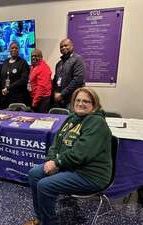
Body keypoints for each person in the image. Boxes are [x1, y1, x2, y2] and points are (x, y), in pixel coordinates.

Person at [23, 87, 112, 225]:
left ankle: (49, 222)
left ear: (94, 105)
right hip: (70, 166)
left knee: (45, 185)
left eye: (86, 101)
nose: (80, 104)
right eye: (78, 100)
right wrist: (51, 160)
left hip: (90, 175)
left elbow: (80, 153)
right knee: (34, 174)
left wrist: (57, 163)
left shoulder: (97, 123)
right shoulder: (71, 118)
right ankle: (41, 218)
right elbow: (56, 142)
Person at [52, 38, 85, 108]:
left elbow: (77, 80)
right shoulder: (59, 63)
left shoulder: (78, 59)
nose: (63, 48)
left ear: (72, 46)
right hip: (60, 100)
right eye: (61, 47)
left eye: (66, 45)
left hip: (72, 100)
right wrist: (55, 93)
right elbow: (55, 80)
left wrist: (62, 94)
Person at [1, 42, 29, 108]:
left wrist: (8, 87)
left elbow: (23, 80)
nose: (14, 49)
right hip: (6, 96)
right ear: (9, 50)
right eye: (12, 48)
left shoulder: (23, 63)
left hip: (18, 97)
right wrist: (3, 88)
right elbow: (2, 77)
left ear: (19, 50)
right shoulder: (5, 62)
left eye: (16, 48)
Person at [29, 49, 52, 113]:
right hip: (36, 97)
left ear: (41, 57)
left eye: (36, 56)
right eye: (32, 56)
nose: (33, 58)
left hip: (42, 99)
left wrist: (34, 102)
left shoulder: (43, 68)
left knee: (40, 120)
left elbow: (41, 87)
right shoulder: (34, 66)